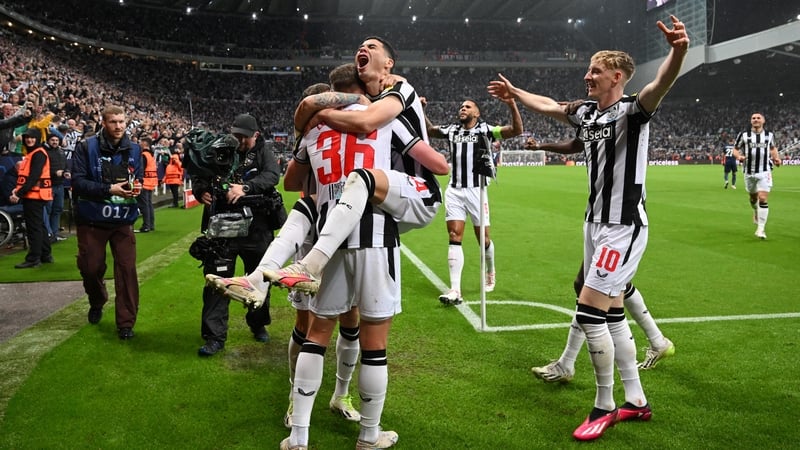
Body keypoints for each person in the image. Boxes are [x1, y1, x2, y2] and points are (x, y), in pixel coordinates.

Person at [488, 15, 689, 441]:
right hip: (594, 223)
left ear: (617, 76)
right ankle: (636, 402)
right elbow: (549, 105)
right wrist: (517, 95)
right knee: (612, 313)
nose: (587, 76)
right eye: (588, 69)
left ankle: (604, 405)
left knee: (588, 311)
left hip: (623, 226)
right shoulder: (586, 115)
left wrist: (678, 51)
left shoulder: (634, 110)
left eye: (595, 70)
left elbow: (661, 85)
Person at [524, 137, 675, 379]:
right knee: (610, 286)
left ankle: (574, 369)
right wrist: (543, 145)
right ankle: (657, 341)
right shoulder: (594, 118)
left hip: (619, 220)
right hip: (603, 216)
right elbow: (577, 142)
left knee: (592, 289)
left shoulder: (622, 115)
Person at [185, 113, 281, 357]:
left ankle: (258, 324)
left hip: (257, 227)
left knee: (259, 279)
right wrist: (200, 191)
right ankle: (214, 337)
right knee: (217, 281)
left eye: (243, 136)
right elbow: (199, 172)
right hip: (223, 227)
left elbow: (272, 176)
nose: (237, 140)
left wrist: (245, 188)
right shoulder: (219, 147)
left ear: (255, 136)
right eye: (235, 134)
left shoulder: (263, 151)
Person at [426, 96, 523, 304]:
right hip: (454, 190)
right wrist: (421, 109)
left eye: (468, 107)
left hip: (476, 191)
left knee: (483, 240)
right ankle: (455, 290)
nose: (463, 108)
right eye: (461, 106)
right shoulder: (452, 130)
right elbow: (431, 130)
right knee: (454, 235)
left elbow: (516, 131)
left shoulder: (486, 130)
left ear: (476, 113)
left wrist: (512, 105)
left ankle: (490, 270)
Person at [71, 105, 143, 340]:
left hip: (123, 220)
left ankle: (126, 323)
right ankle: (97, 299)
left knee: (127, 270)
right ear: (103, 122)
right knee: (91, 268)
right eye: (113, 122)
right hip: (92, 219)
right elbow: (78, 182)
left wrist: (137, 188)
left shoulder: (134, 149)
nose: (119, 126)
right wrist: (108, 189)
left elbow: (137, 178)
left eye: (122, 121)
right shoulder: (85, 147)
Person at [732, 112, 781, 240]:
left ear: (763, 121)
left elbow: (773, 148)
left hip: (764, 171)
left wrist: (776, 158)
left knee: (763, 198)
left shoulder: (769, 135)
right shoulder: (744, 135)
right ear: (751, 121)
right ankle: (755, 211)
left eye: (758, 118)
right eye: (753, 118)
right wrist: (739, 157)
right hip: (749, 172)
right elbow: (735, 149)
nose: (756, 120)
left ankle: (761, 229)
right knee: (753, 198)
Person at [8, 128, 52, 268]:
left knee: (34, 228)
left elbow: (33, 177)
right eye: (27, 137)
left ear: (38, 139)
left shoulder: (38, 153)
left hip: (34, 195)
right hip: (35, 194)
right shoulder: (34, 153)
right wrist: (18, 190)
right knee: (40, 226)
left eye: (32, 137)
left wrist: (18, 194)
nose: (29, 140)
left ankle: (33, 258)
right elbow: (27, 177)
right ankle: (45, 254)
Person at [44, 131, 68, 242]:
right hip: (48, 185)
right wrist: (54, 173)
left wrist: (66, 172)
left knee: (58, 209)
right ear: (48, 141)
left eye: (56, 140)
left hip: (60, 185)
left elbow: (66, 165)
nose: (55, 142)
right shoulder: (44, 152)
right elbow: (41, 169)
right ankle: (48, 234)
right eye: (52, 140)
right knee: (48, 210)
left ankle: (55, 233)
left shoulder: (61, 152)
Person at [135, 136, 157, 232]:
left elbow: (141, 169)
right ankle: (150, 224)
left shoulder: (144, 155)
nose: (139, 144)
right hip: (151, 182)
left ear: (144, 144)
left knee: (144, 205)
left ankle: (146, 225)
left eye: (140, 142)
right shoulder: (151, 155)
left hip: (144, 182)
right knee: (149, 204)